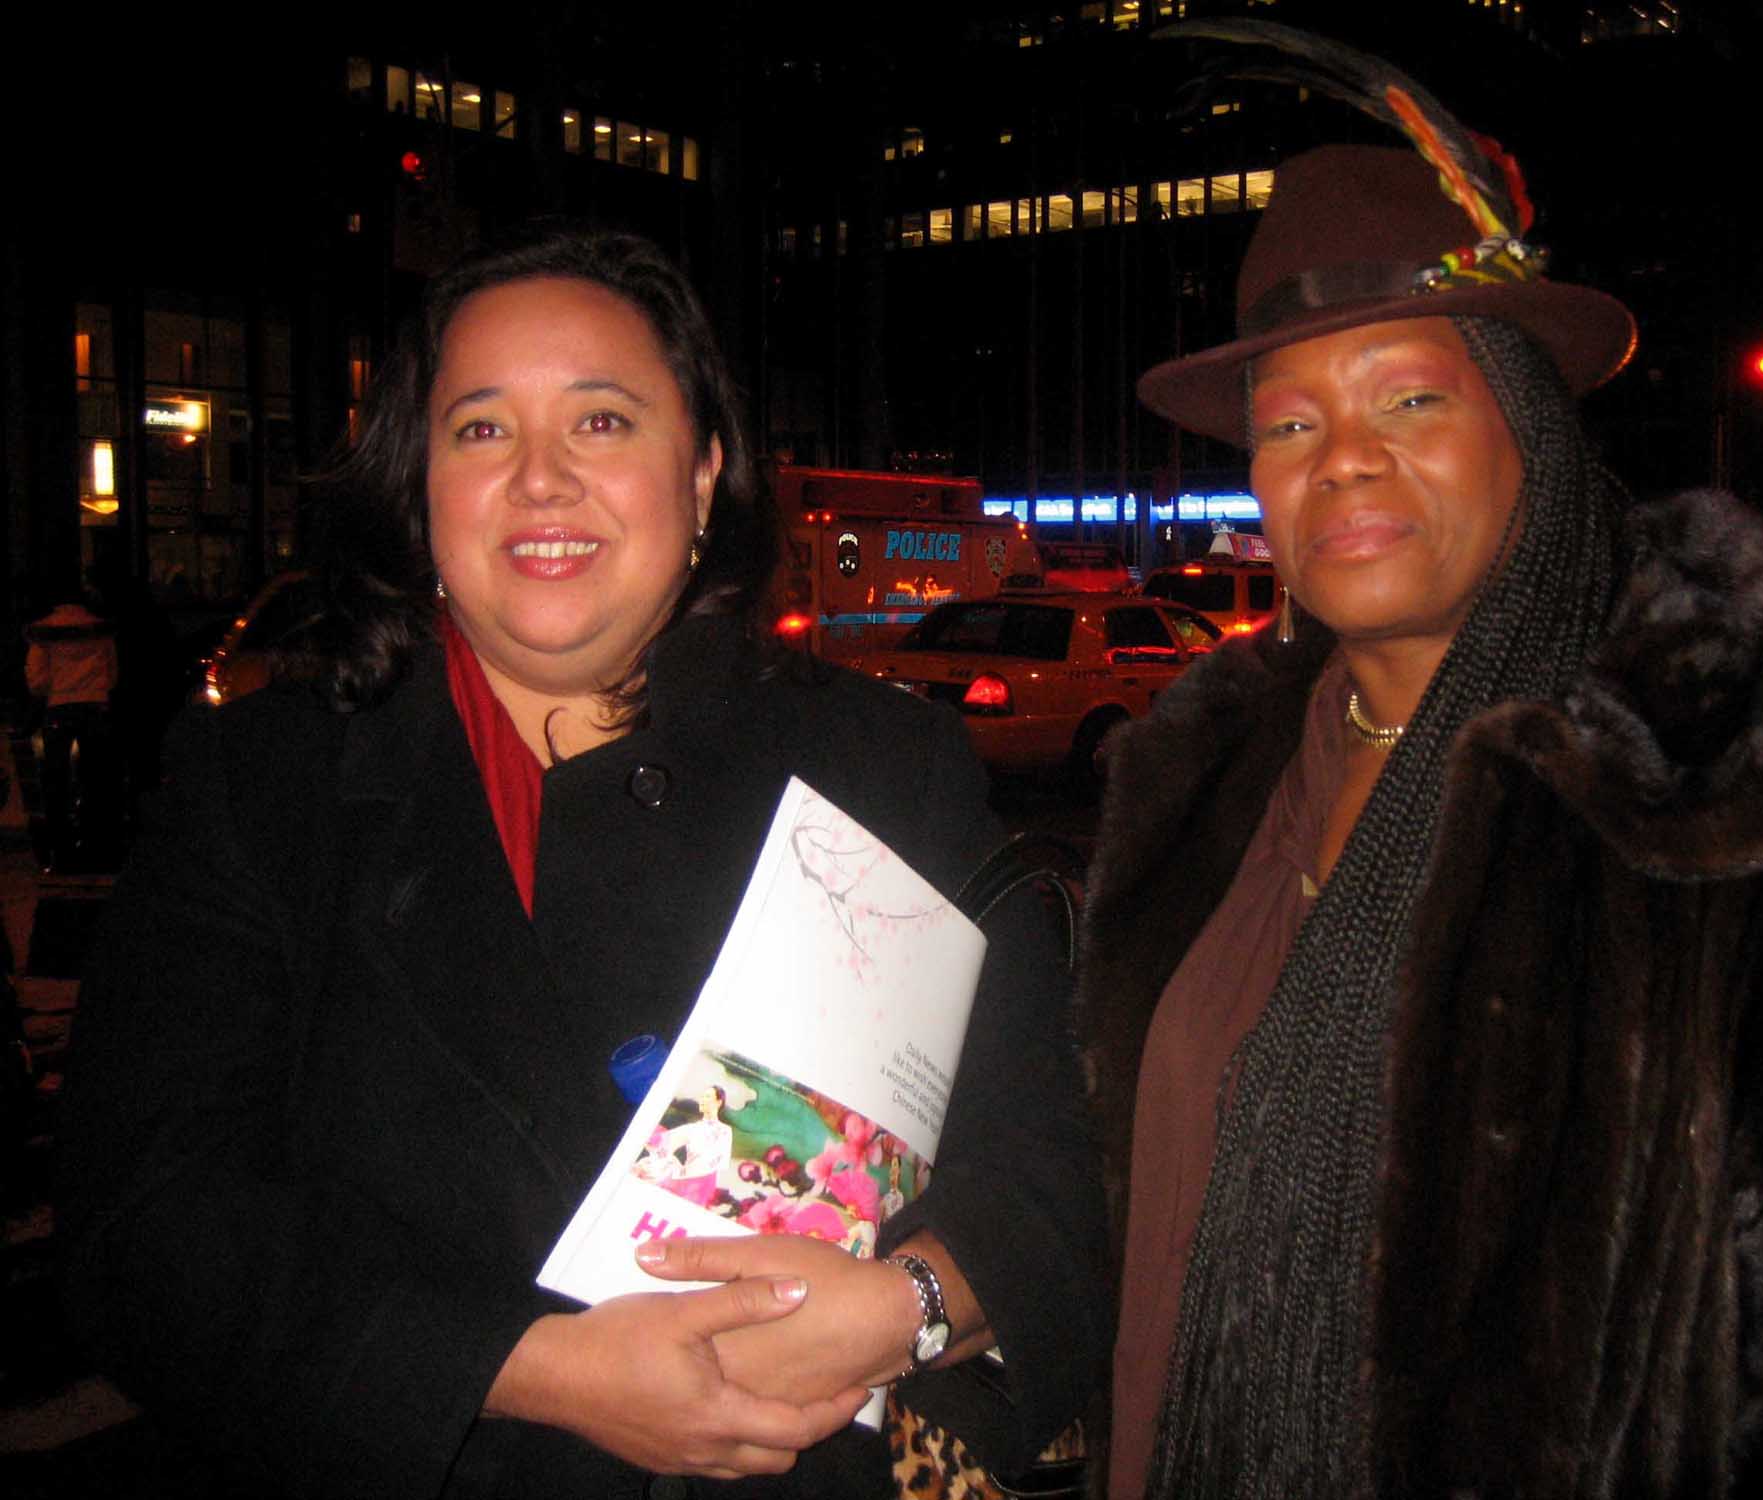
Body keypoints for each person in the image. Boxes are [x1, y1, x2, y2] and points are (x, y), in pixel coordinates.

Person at [1078, 45, 1763, 1500]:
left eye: (1409, 401)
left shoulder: (1761, 789)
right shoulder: (1195, 783)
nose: (1342, 460)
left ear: (1527, 426)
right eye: (1290, 423)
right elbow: (1119, 1209)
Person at [59, 225, 1107, 1498]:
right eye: (480, 429)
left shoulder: (887, 767)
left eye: (601, 422)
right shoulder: (263, 785)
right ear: (420, 485)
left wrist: (911, 1306)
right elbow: (146, 1224)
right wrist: (524, 1367)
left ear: (704, 473)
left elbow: (1056, 1166)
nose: (541, 478)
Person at [24, 587, 120, 871]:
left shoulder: (43, 632)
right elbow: (112, 674)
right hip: (95, 705)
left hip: (59, 707)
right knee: (97, 777)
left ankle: (61, 843)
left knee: (56, 778)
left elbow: (37, 680)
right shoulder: (101, 630)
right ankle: (97, 841)